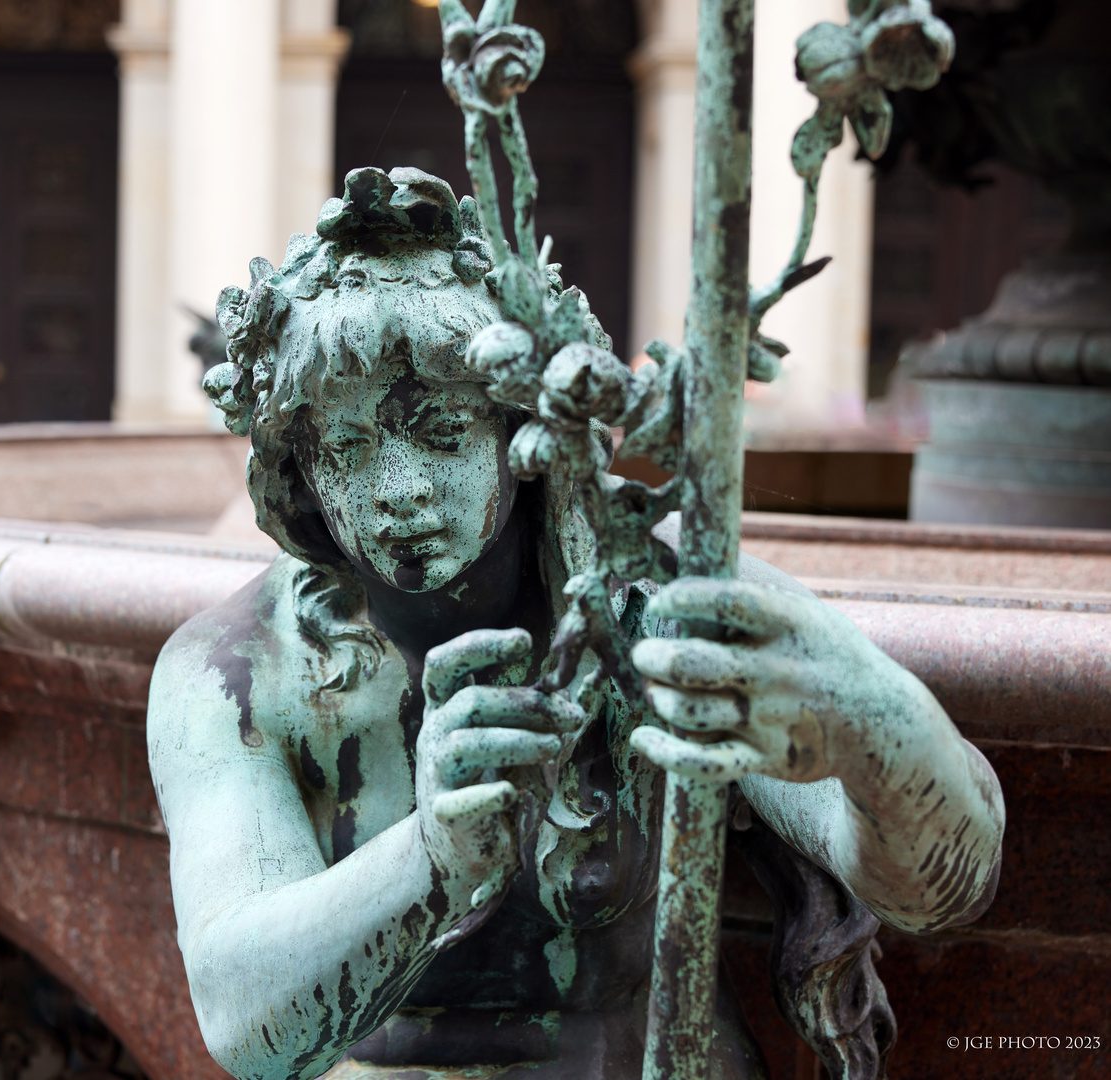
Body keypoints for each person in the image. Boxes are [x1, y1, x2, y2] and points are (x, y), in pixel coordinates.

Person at [147, 168, 1003, 1080]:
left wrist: (880, 731)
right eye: (350, 447)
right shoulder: (238, 673)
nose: (399, 491)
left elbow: (941, 892)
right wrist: (429, 864)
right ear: (298, 468)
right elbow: (243, 1026)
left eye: (441, 432)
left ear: (520, 437)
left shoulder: (653, 604)